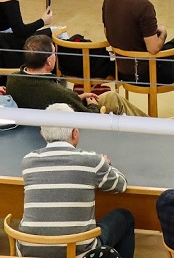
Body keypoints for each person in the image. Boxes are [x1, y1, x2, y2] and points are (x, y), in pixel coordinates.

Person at [20, 103, 134, 258]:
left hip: (28, 250)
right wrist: (106, 164)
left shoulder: (28, 161)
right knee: (125, 216)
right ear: (75, 133)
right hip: (77, 252)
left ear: (42, 134)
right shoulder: (91, 161)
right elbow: (121, 184)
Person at [7, 34, 147, 116]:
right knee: (114, 100)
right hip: (71, 124)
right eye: (54, 53)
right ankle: (151, 128)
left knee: (111, 97)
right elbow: (89, 117)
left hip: (51, 114)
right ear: (49, 61)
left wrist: (76, 98)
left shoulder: (12, 80)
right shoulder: (55, 91)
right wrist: (92, 105)